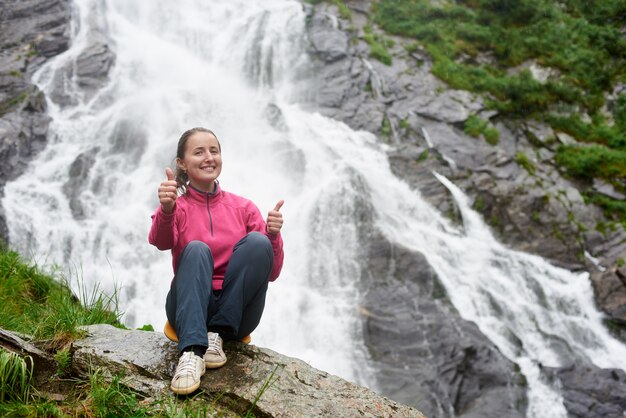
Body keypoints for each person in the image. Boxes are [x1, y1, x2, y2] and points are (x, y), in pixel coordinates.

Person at [148, 127, 284, 395]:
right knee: (197, 249)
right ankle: (191, 353)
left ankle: (216, 336)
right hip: (189, 307)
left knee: (258, 242)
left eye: (214, 151)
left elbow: (271, 272)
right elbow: (161, 242)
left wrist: (272, 237)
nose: (208, 157)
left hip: (237, 314)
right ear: (182, 164)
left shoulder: (244, 208)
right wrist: (167, 209)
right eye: (198, 152)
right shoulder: (178, 206)